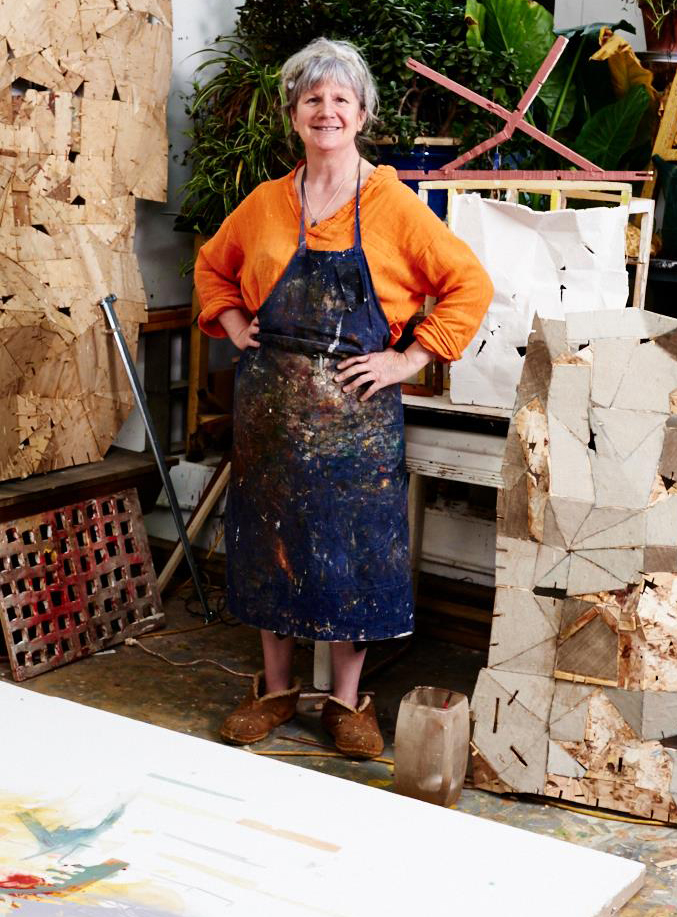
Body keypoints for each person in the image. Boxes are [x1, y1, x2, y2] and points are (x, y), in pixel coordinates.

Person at [194, 38, 491, 758]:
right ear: (293, 115)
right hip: (269, 414)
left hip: (357, 420)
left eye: (340, 100)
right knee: (271, 546)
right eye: (312, 100)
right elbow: (212, 266)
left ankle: (347, 701)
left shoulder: (392, 204)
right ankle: (274, 690)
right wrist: (234, 323)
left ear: (362, 114)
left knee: (351, 556)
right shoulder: (267, 203)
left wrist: (407, 359)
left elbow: (469, 284)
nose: (326, 111)